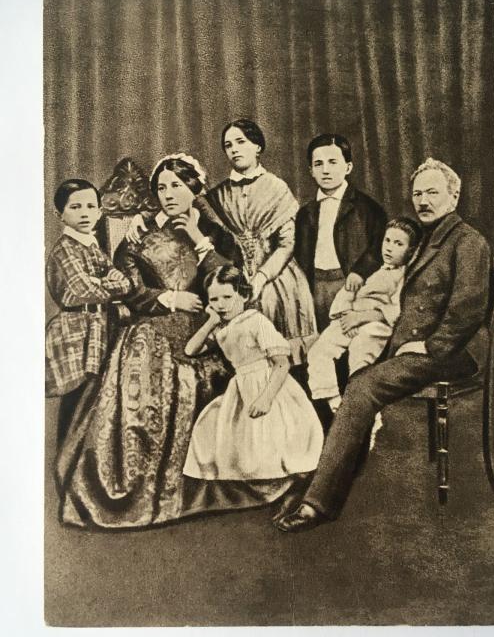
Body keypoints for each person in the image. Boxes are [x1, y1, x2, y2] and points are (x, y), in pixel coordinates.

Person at [56, 153, 293, 529]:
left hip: (205, 325)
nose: (168, 194)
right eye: (162, 187)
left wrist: (199, 240)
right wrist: (168, 299)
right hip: (152, 324)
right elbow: (128, 287)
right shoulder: (139, 233)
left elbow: (234, 284)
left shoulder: (214, 233)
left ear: (194, 189)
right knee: (145, 374)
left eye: (177, 186)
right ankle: (136, 489)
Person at [275, 158, 492, 532]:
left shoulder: (468, 242)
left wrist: (430, 346)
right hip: (412, 344)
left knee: (361, 386)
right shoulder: (426, 238)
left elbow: (468, 308)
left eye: (433, 193)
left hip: (451, 353)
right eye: (418, 193)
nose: (423, 200)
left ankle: (317, 502)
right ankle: (327, 472)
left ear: (454, 196)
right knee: (338, 366)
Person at [126, 120, 317, 364]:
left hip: (274, 276)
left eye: (241, 142)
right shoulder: (217, 194)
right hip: (232, 273)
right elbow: (181, 198)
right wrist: (141, 216)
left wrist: (260, 278)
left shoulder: (277, 187)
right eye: (228, 145)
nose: (235, 149)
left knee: (276, 336)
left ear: (258, 146)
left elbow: (287, 244)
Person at [182, 265, 323, 488]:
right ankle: (248, 485)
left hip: (268, 384)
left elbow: (282, 363)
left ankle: (278, 484)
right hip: (241, 386)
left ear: (244, 295)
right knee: (217, 429)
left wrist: (265, 398)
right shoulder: (222, 329)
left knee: (270, 437)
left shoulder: (256, 321)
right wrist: (211, 321)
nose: (221, 305)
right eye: (214, 299)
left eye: (227, 297)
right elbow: (190, 350)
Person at [307, 217, 421, 415]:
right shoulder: (372, 268)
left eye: (398, 244)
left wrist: (361, 318)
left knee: (361, 351)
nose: (389, 248)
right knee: (320, 349)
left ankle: (362, 406)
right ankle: (334, 400)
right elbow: (347, 293)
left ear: (411, 251)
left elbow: (398, 310)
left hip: (378, 323)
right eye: (387, 240)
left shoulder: (405, 276)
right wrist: (347, 316)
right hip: (351, 318)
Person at [45, 178, 131, 440]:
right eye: (75, 207)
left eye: (90, 207)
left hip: (98, 327)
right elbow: (83, 290)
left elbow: (125, 283)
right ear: (59, 214)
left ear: (99, 212)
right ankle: (66, 459)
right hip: (75, 332)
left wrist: (102, 281)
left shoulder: (92, 245)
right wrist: (105, 283)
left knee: (93, 400)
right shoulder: (64, 249)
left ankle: (81, 458)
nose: (84, 213)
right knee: (75, 400)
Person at [294, 134, 387, 331]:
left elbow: (379, 247)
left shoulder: (368, 209)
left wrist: (360, 272)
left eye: (333, 162)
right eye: (318, 164)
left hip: (351, 286)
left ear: (348, 167)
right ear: (311, 171)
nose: (325, 170)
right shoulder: (305, 213)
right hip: (315, 286)